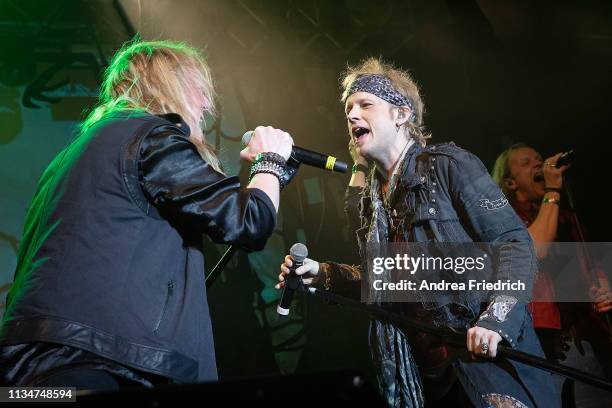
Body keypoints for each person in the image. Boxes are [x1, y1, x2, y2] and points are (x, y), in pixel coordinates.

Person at [0, 39, 294, 390]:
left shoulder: (71, 157)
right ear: (170, 85)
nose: (205, 105)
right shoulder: (151, 136)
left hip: (32, 371)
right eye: (200, 90)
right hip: (101, 362)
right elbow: (249, 222)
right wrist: (271, 161)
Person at [278, 57, 557, 407]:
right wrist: (322, 274)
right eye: (348, 108)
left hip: (486, 367)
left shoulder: (448, 166)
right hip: (427, 378)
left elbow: (515, 244)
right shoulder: (372, 204)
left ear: (402, 114)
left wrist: (496, 321)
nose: (351, 115)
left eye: (365, 105)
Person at [492, 144, 612, 403]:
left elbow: (592, 269)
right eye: (526, 163)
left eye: (538, 159)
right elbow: (534, 250)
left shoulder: (567, 218)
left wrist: (603, 288)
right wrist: (553, 191)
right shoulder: (503, 220)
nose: (538, 165)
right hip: (541, 342)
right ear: (511, 183)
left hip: (586, 339)